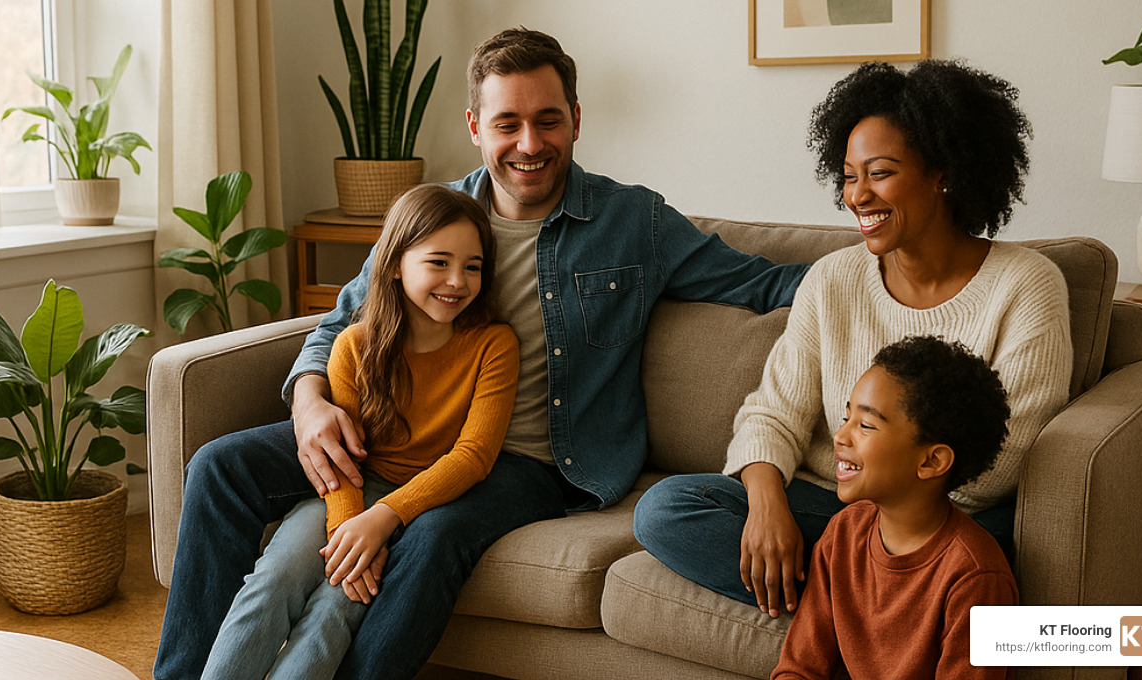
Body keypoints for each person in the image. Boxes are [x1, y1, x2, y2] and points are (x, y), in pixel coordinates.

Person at [154, 28, 810, 680]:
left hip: (532, 461)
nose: (530, 144)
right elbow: (340, 325)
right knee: (218, 466)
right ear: (475, 125)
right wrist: (310, 403)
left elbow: (767, 282)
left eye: (548, 120)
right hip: (394, 433)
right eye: (508, 123)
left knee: (437, 535)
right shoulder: (431, 218)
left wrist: (892, 274)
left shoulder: (635, 222)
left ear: (576, 120)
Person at [633, 59, 1073, 622]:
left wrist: (877, 506)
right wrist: (767, 506)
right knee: (666, 509)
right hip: (828, 505)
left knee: (988, 551)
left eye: (879, 173)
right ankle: (895, 615)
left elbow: (1004, 458)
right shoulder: (832, 279)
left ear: (943, 172)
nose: (857, 195)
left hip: (938, 516)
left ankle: (857, 608)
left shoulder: (1025, 284)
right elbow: (772, 413)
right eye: (847, 176)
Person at [198, 184, 519, 679]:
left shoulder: (494, 345)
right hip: (347, 494)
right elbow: (342, 458)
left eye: (473, 266)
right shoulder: (353, 345)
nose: (457, 280)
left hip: (417, 504)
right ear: (394, 263)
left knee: (334, 609)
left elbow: (474, 456)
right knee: (273, 582)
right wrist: (348, 530)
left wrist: (382, 521)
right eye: (438, 262)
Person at [771, 335, 1017, 680]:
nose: (840, 436)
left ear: (932, 461)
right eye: (846, 417)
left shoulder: (975, 577)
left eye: (865, 425)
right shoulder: (843, 532)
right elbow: (799, 668)